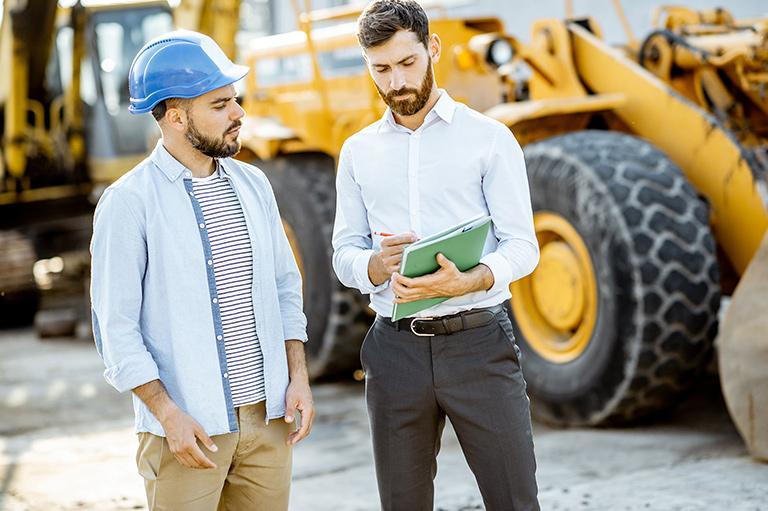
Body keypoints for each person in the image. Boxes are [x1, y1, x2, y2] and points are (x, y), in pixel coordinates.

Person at [90, 30, 314, 511]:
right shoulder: (129, 204)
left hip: (269, 420)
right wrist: (167, 414)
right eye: (220, 104)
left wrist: (298, 375)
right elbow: (116, 330)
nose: (238, 114)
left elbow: (284, 288)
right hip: (187, 431)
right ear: (175, 116)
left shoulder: (255, 185)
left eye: (235, 100)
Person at [332, 1, 541, 509]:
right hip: (393, 353)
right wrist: (374, 267)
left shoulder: (490, 139)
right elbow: (343, 251)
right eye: (381, 69)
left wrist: (471, 280)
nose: (397, 82)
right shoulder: (357, 151)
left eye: (407, 63)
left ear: (433, 49)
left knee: (514, 501)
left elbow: (523, 246)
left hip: (478, 346)